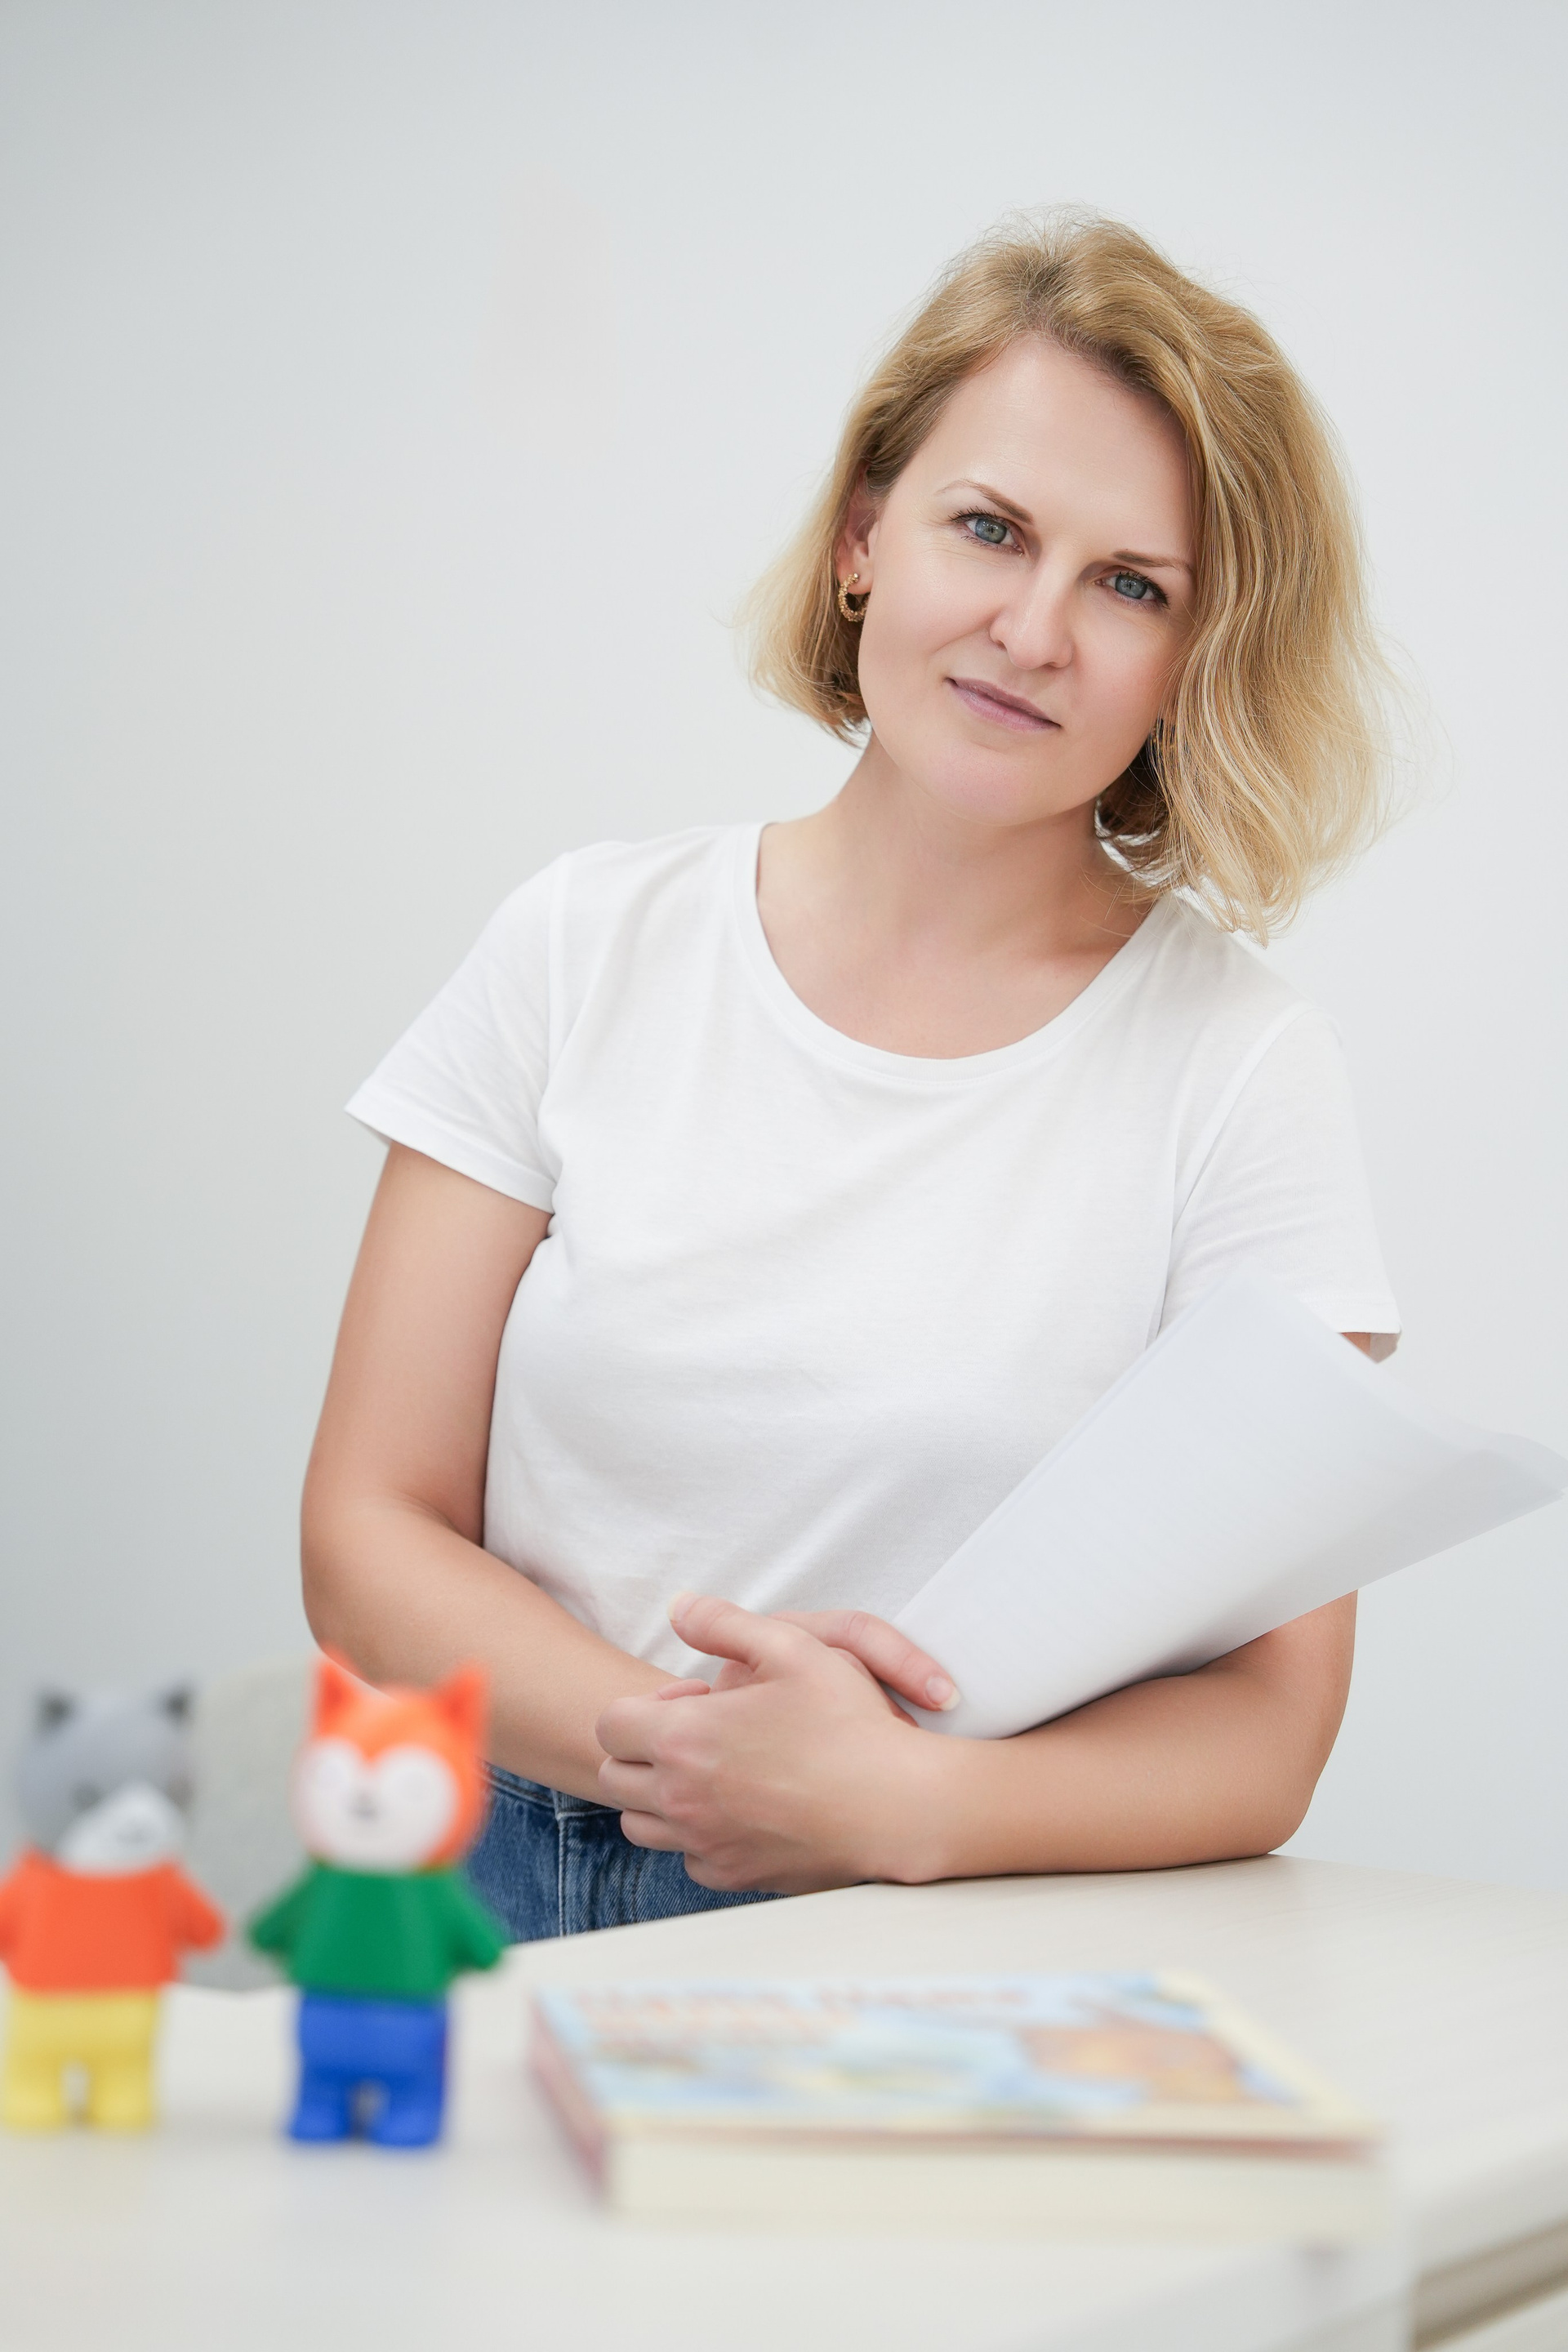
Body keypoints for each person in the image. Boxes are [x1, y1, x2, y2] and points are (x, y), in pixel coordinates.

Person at [303, 212, 1401, 1941]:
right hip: (497, 1885)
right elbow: (368, 1532)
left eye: (1132, 585)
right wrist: (710, 1759)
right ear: (861, 539)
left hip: (942, 1924)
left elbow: (1272, 1726)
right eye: (991, 528)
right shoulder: (581, 944)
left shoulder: (1243, 1070)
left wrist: (893, 1801)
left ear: (1197, 659)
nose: (1034, 628)